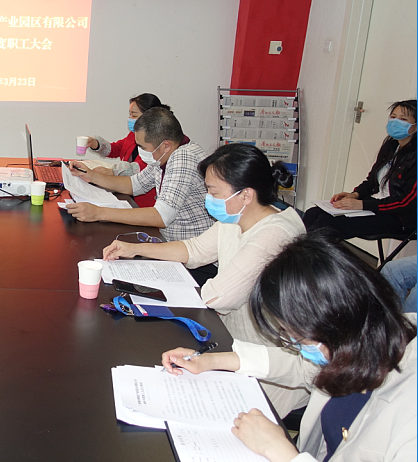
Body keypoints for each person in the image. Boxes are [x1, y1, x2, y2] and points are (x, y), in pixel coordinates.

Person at [161, 232, 416, 462]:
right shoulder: (360, 340)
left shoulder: (408, 413)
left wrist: (283, 453)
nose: (296, 347)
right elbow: (304, 367)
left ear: (334, 322)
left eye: (298, 339)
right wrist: (213, 361)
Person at [103, 143, 308, 415]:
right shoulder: (237, 216)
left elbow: (218, 296)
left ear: (246, 195)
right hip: (229, 339)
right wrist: (136, 249)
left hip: (267, 365)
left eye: (214, 192)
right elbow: (195, 250)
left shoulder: (275, 235)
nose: (208, 198)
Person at [66, 107, 214, 242]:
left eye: (142, 147)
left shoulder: (183, 158)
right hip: (172, 243)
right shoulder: (164, 155)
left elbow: (161, 216)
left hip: (191, 250)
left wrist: (98, 213)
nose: (140, 151)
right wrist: (91, 175)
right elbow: (134, 184)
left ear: (166, 145)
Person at [303, 99, 416, 238]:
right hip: (377, 206)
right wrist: (355, 195)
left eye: (403, 119)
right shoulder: (391, 146)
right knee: (312, 213)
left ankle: (314, 252)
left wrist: (362, 204)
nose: (396, 122)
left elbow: (407, 202)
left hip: (401, 218)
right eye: (393, 117)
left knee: (326, 222)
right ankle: (299, 251)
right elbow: (372, 181)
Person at [84, 93, 170, 207]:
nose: (130, 119)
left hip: (143, 201)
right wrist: (95, 144)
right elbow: (116, 148)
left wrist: (113, 171)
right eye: (129, 114)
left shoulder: (157, 141)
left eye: (134, 115)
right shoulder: (132, 135)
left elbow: (140, 168)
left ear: (150, 117)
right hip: (125, 190)